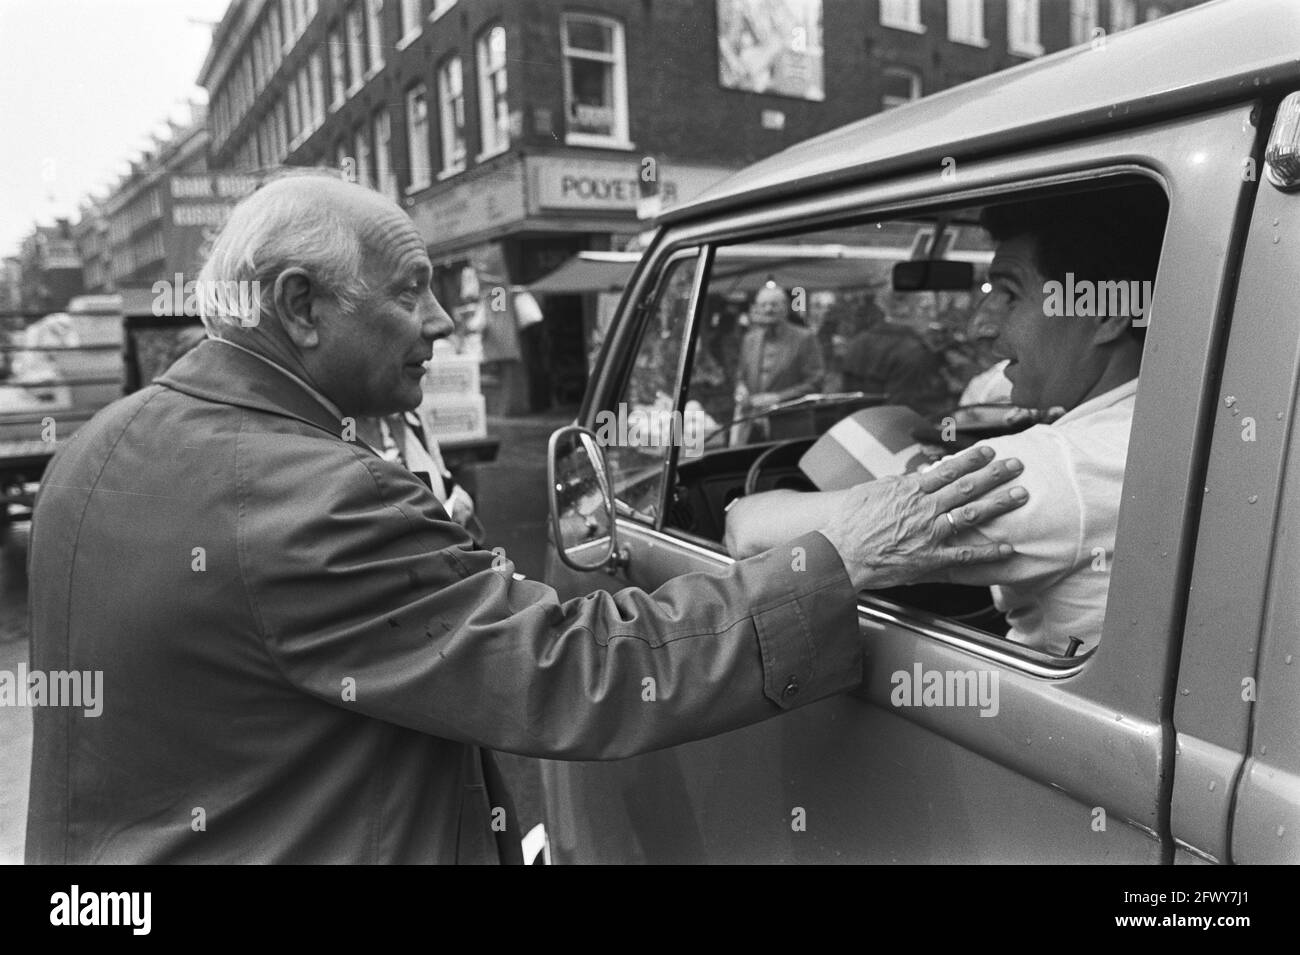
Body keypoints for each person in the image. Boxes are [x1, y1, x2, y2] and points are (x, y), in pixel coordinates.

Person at [25, 171, 1027, 863]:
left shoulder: (101, 444)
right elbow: (579, 670)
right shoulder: (316, 496)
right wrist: (834, 556)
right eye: (412, 289)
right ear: (299, 305)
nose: (444, 321)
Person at [727, 184, 1166, 657]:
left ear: (1104, 313)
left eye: (1010, 295)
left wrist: (735, 507)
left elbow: (749, 533)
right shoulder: (1155, 426)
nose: (981, 325)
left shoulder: (1054, 468)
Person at [734, 283, 824, 440]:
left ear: (785, 308)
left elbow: (816, 382)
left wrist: (778, 398)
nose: (769, 309)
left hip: (790, 429)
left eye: (774, 304)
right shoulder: (750, 339)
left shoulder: (804, 338)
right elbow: (741, 376)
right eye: (764, 305)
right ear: (757, 308)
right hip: (753, 427)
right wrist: (741, 389)